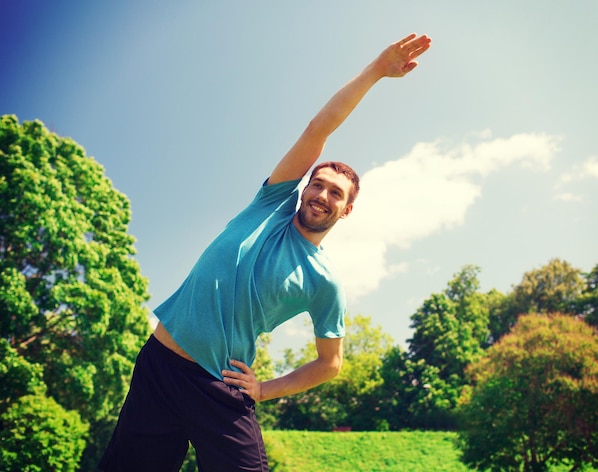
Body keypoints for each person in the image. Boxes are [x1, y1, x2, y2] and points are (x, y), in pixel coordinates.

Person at [99, 32, 432, 472]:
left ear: (346, 209)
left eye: (335, 192)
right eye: (317, 183)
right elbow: (320, 128)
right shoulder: (270, 205)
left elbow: (330, 364)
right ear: (302, 188)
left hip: (219, 386)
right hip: (158, 368)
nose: (322, 194)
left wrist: (264, 389)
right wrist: (376, 70)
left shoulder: (323, 280)